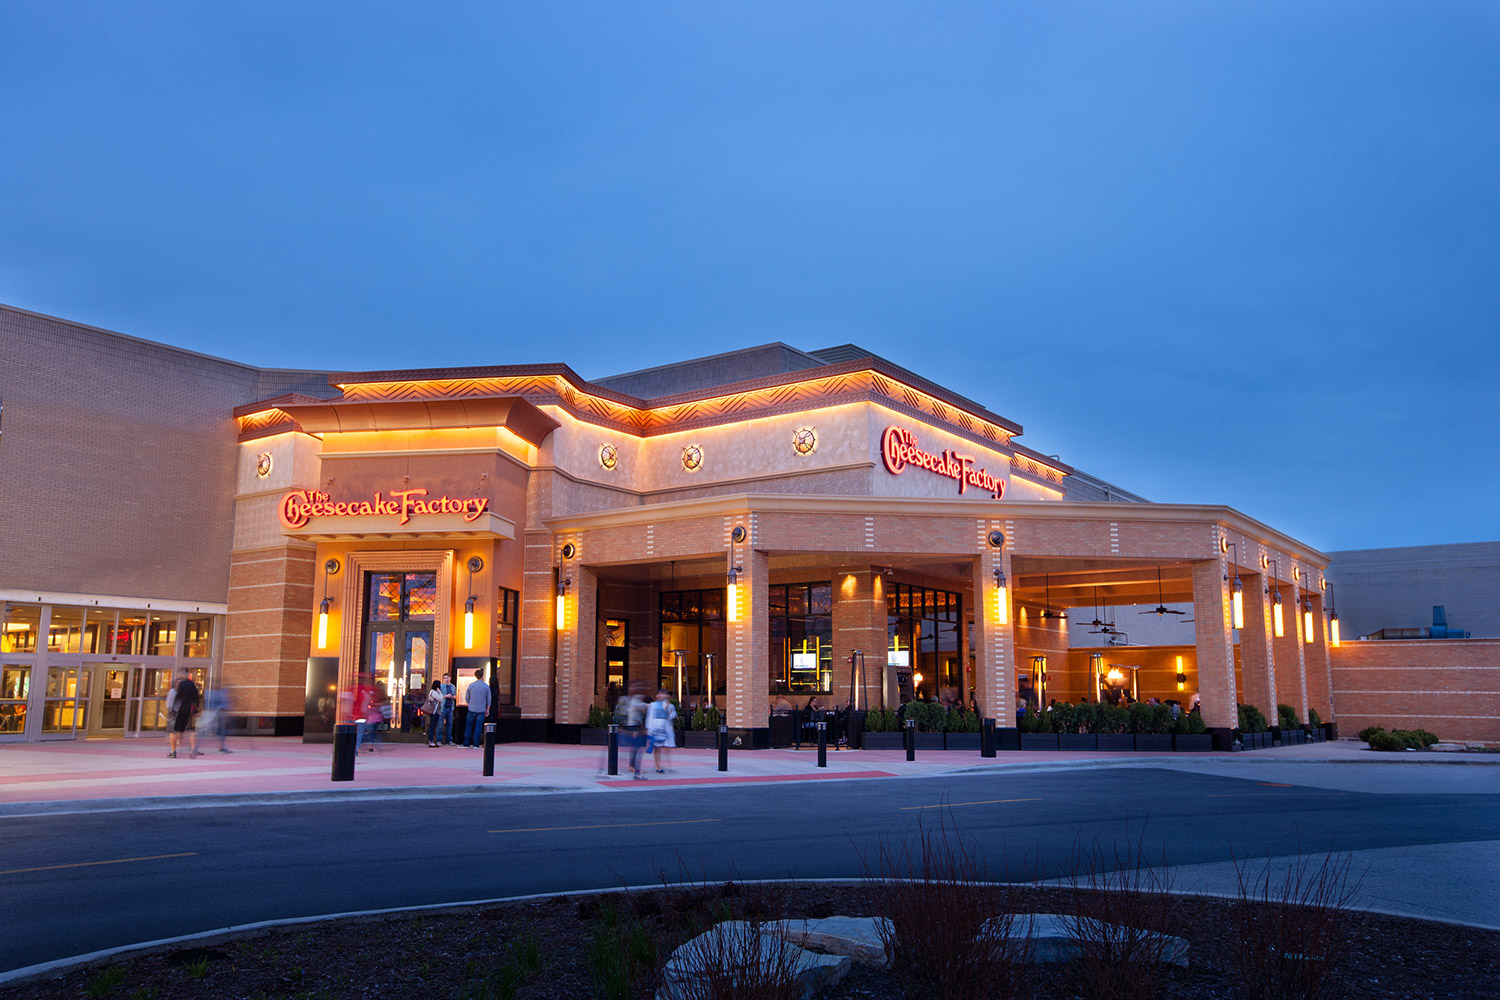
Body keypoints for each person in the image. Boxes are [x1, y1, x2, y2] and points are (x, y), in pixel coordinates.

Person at [167, 669, 201, 758]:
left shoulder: (182, 686)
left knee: (173, 731)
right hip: (189, 711)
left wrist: (171, 711)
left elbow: (178, 699)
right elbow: (196, 699)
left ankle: (173, 751)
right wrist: (196, 711)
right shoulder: (192, 685)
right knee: (191, 731)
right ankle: (193, 750)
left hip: (178, 711)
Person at [646, 688, 677, 774]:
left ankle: (669, 765)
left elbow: (672, 716)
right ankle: (658, 767)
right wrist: (649, 729)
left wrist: (667, 709)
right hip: (655, 727)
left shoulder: (670, 705)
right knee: (656, 747)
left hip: (665, 727)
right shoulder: (653, 705)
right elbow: (650, 717)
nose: (660, 696)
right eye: (658, 694)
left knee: (667, 746)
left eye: (662, 694)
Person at [462, 668, 491, 748]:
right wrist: (487, 709)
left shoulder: (471, 685)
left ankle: (466, 743)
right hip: (481, 709)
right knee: (478, 727)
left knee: (468, 726)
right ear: (482, 676)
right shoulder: (486, 686)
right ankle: (476, 744)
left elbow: (467, 698)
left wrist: (470, 704)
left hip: (471, 708)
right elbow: (488, 699)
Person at [204, 684, 233, 753]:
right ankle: (222, 745)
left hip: (214, 713)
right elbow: (225, 705)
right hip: (220, 713)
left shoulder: (211, 694)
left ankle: (222, 745)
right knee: (222, 730)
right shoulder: (222, 695)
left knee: (219, 729)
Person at [423, 679, 444, 746]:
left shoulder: (434, 692)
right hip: (434, 712)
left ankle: (432, 741)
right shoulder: (433, 692)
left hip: (436, 712)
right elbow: (441, 699)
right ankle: (430, 741)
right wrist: (440, 691)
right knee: (432, 726)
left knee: (434, 726)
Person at [439, 672, 457, 745]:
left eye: (448, 678)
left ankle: (449, 740)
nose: (447, 679)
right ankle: (439, 740)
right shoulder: (441, 687)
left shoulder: (453, 687)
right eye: (445, 678)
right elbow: (439, 697)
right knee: (440, 725)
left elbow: (455, 696)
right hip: (443, 708)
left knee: (450, 725)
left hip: (450, 708)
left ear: (450, 678)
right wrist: (446, 696)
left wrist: (453, 697)